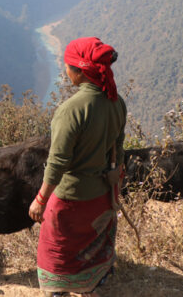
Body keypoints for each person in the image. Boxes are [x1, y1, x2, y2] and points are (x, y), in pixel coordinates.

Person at [29, 37, 127, 297]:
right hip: (102, 195)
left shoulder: (70, 110)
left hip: (71, 197)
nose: (65, 71)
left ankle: (58, 291)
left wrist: (41, 199)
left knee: (57, 249)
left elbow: (58, 161)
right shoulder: (116, 102)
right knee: (92, 242)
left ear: (80, 71)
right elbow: (119, 147)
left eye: (67, 67)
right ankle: (92, 283)